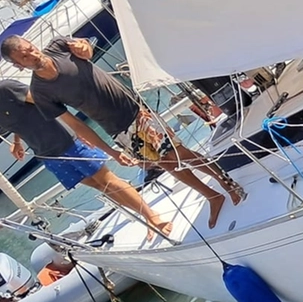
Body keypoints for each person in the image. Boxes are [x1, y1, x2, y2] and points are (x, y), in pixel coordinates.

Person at [1, 35, 245, 228]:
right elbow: (77, 125)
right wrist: (112, 151)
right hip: (116, 129)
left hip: (134, 109)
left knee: (177, 153)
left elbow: (85, 48)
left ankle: (228, 184)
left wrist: (85, 48)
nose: (32, 54)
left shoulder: (58, 46)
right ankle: (212, 195)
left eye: (30, 47)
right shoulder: (41, 91)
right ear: (18, 64)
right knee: (167, 164)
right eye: (24, 56)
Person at [0, 78, 173, 237]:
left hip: (67, 142)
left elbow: (44, 102)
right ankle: (145, 216)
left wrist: (77, 130)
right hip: (47, 155)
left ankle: (152, 217)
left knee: (108, 181)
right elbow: (17, 121)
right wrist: (17, 142)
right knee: (100, 186)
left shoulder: (6, 88)